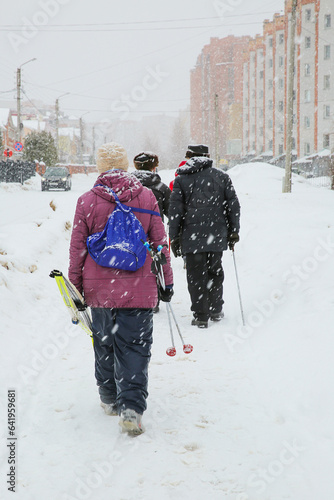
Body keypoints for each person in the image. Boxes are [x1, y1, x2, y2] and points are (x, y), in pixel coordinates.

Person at [69, 142, 173, 434]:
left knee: (104, 343)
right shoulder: (146, 196)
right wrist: (167, 281)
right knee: (135, 347)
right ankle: (131, 406)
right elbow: (159, 244)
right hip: (139, 288)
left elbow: (77, 248)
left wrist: (75, 288)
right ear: (126, 166)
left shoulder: (87, 201)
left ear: (101, 166)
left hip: (99, 290)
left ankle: (108, 397)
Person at [168, 144, 240, 329]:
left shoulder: (182, 180)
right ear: (207, 156)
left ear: (189, 157)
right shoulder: (221, 177)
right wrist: (233, 231)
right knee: (215, 271)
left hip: (192, 237)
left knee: (195, 275)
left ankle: (201, 315)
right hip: (216, 235)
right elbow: (233, 206)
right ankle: (216, 309)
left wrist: (174, 237)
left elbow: (175, 211)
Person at [132, 151, 172, 314]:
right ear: (154, 167)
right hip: (154, 231)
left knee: (134, 263)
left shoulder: (129, 186)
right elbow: (173, 212)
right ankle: (152, 299)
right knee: (155, 265)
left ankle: (134, 296)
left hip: (132, 232)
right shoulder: (160, 188)